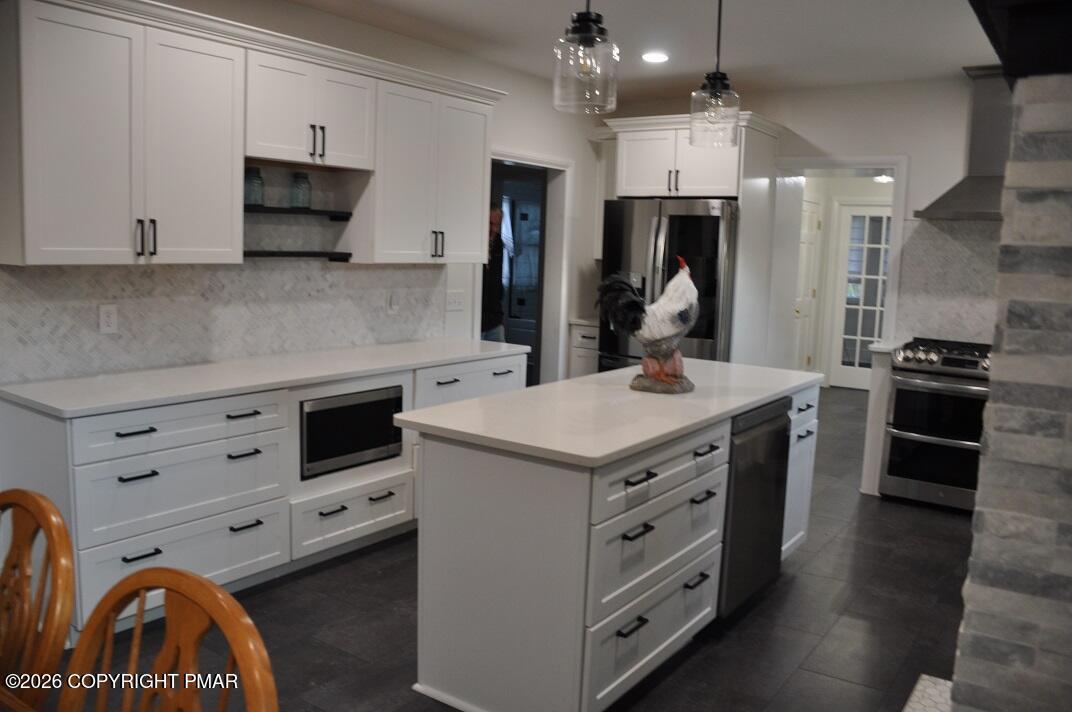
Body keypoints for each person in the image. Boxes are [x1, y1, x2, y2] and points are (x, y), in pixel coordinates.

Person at [481, 206, 506, 342]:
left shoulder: (498, 243)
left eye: (497, 225)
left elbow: (497, 278)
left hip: (495, 318)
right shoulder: (473, 245)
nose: (494, 229)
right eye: (490, 224)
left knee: (501, 360)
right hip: (475, 320)